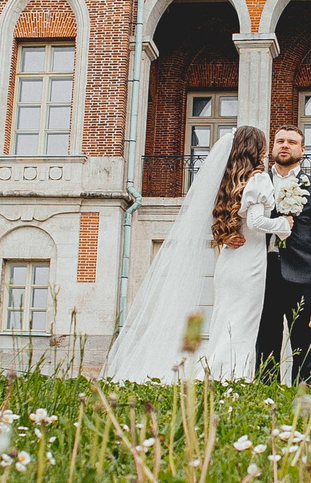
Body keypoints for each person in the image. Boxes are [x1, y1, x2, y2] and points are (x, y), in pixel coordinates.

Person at [103, 127, 292, 382]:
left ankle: (220, 375)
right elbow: (257, 221)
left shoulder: (227, 182)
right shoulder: (258, 179)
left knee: (225, 321)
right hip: (249, 263)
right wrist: (284, 226)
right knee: (243, 324)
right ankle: (232, 378)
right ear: (255, 149)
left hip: (229, 260)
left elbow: (227, 220)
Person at [255, 122, 311, 384]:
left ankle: (306, 396)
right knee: (266, 338)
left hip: (302, 273)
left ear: (302, 150)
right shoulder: (257, 182)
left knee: (304, 340)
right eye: (280, 141)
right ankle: (265, 395)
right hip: (262, 271)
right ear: (272, 147)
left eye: (291, 142)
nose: (285, 146)